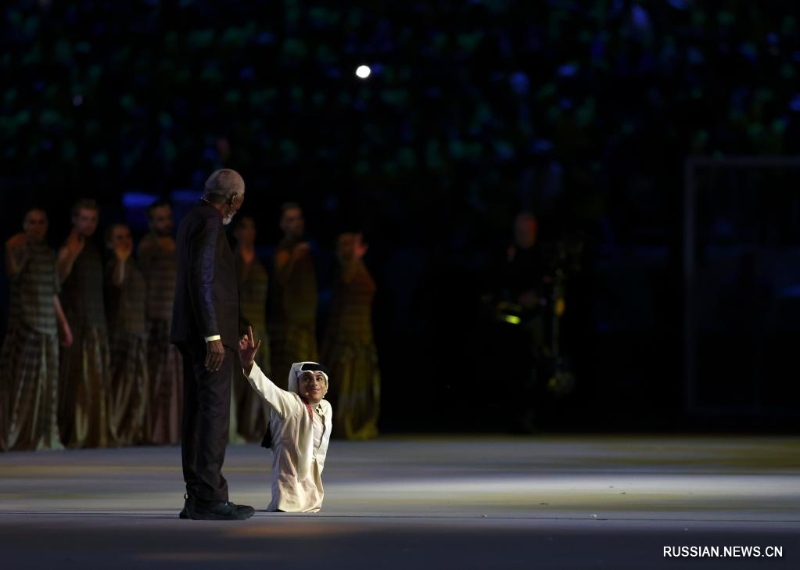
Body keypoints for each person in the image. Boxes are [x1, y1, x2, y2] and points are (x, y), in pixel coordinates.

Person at [170, 168, 254, 521]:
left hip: (194, 332)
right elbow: (202, 279)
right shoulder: (209, 222)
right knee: (213, 414)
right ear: (233, 199)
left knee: (199, 413)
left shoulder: (194, 216)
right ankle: (209, 496)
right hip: (207, 337)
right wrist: (214, 336)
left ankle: (197, 495)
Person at [1, 208, 73, 451]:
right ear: (23, 224)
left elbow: (52, 291)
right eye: (31, 222)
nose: (36, 226)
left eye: (41, 222)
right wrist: (9, 248)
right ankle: (15, 435)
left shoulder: (47, 253)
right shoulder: (18, 247)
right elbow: (13, 274)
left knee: (48, 386)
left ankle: (43, 436)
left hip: (48, 327)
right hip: (25, 325)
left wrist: (63, 325)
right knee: (21, 385)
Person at [240, 326, 332, 513]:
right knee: (289, 501)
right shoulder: (291, 403)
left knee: (309, 500)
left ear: (326, 386)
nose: (314, 383)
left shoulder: (326, 407)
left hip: (312, 473)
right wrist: (249, 364)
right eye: (306, 378)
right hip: (289, 470)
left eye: (319, 379)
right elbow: (267, 388)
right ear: (296, 384)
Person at [57, 199, 115, 449]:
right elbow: (57, 281)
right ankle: (75, 433)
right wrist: (71, 253)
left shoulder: (94, 248)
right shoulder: (69, 247)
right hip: (76, 322)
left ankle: (95, 434)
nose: (89, 224)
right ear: (74, 219)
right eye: (84, 219)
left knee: (96, 381)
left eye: (92, 219)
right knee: (77, 381)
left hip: (97, 322)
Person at [320, 231, 381, 440]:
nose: (348, 248)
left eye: (351, 243)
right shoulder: (346, 267)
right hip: (347, 331)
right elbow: (345, 282)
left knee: (359, 376)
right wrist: (354, 255)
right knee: (347, 376)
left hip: (361, 330)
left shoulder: (355, 265)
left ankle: (356, 421)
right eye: (344, 244)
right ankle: (346, 424)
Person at [138, 200, 182, 445]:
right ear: (150, 222)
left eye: (168, 218)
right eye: (160, 219)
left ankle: (173, 430)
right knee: (158, 378)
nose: (165, 223)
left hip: (175, 317)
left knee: (174, 377)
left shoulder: (176, 244)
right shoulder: (148, 246)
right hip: (156, 318)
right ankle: (156, 431)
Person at [105, 223, 148, 446]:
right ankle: (115, 431)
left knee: (137, 387)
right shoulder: (114, 264)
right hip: (120, 333)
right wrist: (121, 259)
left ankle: (132, 432)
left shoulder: (136, 265)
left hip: (138, 332)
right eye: (118, 237)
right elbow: (117, 282)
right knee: (119, 386)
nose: (124, 241)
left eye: (128, 236)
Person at [269, 202, 318, 390]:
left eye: (298, 218)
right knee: (292, 380)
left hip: (307, 324)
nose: (296, 224)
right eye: (290, 220)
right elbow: (281, 279)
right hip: (290, 325)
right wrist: (294, 257)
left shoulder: (306, 250)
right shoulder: (285, 250)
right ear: (282, 225)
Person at [232, 216, 271, 442]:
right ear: (236, 232)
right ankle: (238, 427)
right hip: (240, 326)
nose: (249, 232)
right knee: (240, 380)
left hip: (259, 325)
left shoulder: (258, 261)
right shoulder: (233, 260)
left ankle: (255, 426)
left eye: (252, 227)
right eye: (244, 227)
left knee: (259, 379)